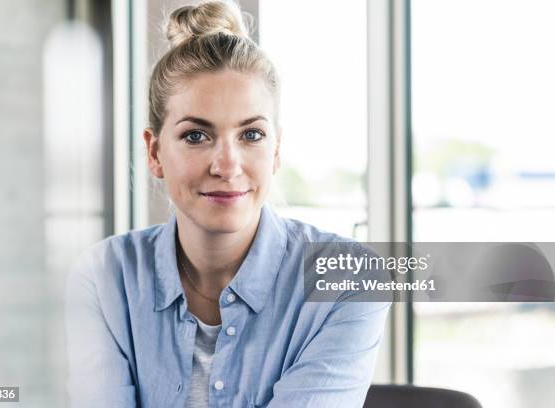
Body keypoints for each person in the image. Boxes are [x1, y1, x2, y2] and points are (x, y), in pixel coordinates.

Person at [65, 1, 392, 407]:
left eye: (251, 135)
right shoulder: (104, 278)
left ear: (275, 151)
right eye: (196, 136)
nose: (227, 165)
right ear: (154, 153)